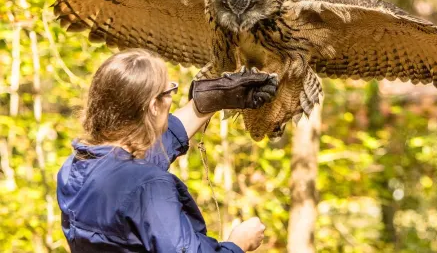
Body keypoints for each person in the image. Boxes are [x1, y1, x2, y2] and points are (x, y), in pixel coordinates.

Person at [57, 49, 279, 252]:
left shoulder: (74, 168)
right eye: (169, 89)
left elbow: (133, 165)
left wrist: (204, 105)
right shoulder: (149, 187)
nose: (172, 97)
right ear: (154, 105)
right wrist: (238, 243)